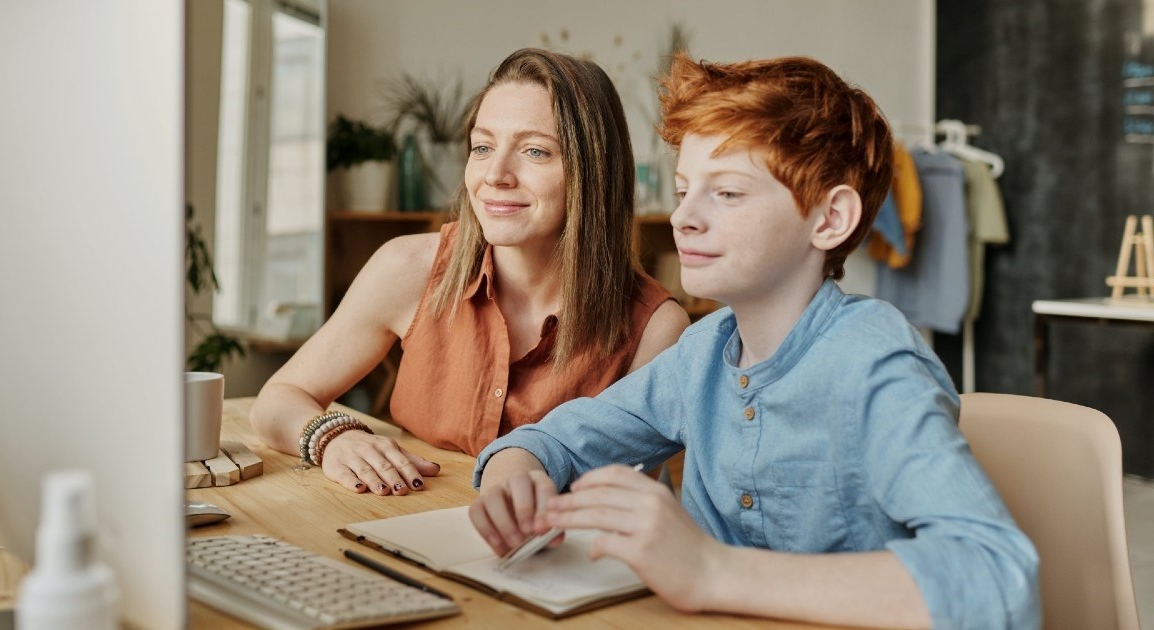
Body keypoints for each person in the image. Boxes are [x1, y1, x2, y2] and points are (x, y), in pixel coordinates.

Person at [470, 54, 1040, 629]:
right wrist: (512, 480)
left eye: (728, 194)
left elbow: (997, 578)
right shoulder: (703, 351)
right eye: (684, 189)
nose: (683, 218)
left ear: (830, 218)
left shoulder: (875, 363)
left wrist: (709, 570)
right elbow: (559, 440)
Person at [249, 48, 689, 498]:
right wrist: (335, 438)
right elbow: (277, 399)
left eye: (535, 151)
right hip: (389, 532)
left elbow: (623, 496)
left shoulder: (655, 328)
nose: (495, 174)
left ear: (593, 171)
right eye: (482, 147)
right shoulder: (408, 268)